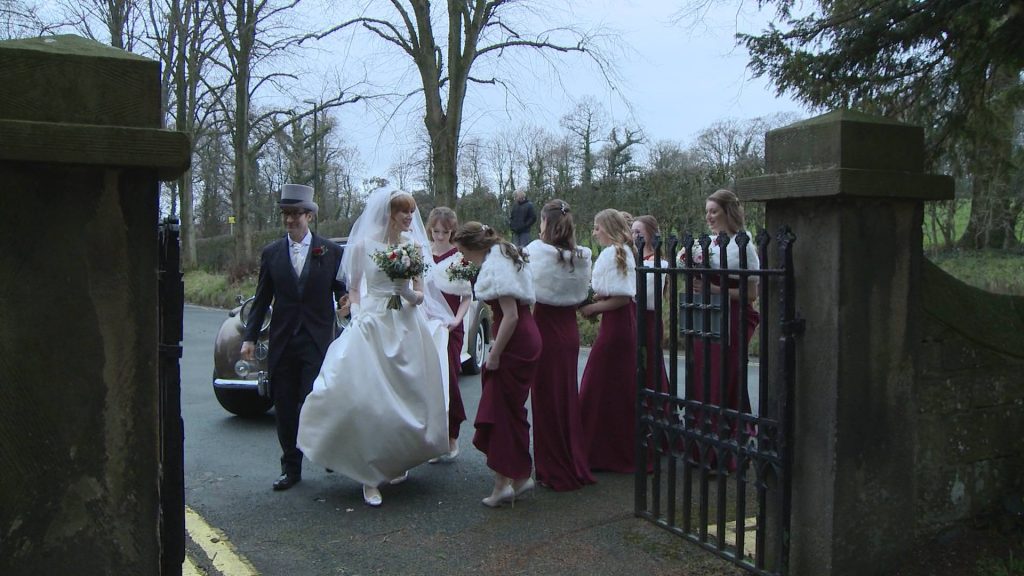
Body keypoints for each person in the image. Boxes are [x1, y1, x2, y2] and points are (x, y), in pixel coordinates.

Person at [297, 187, 452, 507]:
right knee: (366, 398)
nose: (410, 218)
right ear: (389, 215)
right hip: (373, 321)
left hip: (406, 323)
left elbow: (420, 291)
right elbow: (353, 290)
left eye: (412, 212)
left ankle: (395, 460)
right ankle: (368, 475)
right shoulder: (364, 246)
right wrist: (357, 314)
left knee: (407, 397)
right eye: (404, 212)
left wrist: (408, 294)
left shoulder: (413, 247)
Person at [241, 183, 347, 492]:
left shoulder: (331, 251)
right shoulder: (271, 253)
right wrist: (249, 338)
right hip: (283, 340)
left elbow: (342, 292)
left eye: (296, 214)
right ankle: (291, 467)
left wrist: (347, 303)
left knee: (313, 400)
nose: (290, 220)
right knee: (284, 404)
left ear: (310, 216)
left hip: (317, 339)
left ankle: (325, 450)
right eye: (286, 214)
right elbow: (261, 299)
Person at [453, 222, 540, 507]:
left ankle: (504, 483)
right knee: (510, 410)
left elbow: (511, 315)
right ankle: (517, 478)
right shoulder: (504, 254)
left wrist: (495, 354)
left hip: (515, 340)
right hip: (522, 336)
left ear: (475, 247)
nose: (465, 259)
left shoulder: (497, 263)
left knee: (502, 409)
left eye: (464, 252)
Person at [677, 189, 760, 473]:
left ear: (728, 212)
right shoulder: (707, 243)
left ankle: (728, 453)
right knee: (703, 378)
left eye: (714, 211)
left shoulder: (743, 244)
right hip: (705, 317)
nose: (708, 217)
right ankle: (703, 448)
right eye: (707, 211)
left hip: (732, 318)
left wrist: (713, 288)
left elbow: (750, 294)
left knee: (725, 378)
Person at [524, 200, 596, 491]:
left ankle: (552, 467)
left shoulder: (536, 253)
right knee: (566, 396)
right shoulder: (581, 256)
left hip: (544, 329)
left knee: (546, 401)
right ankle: (570, 459)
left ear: (545, 223)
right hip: (569, 332)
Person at [578, 208, 639, 473]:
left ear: (609, 228)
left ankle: (605, 452)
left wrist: (592, 309)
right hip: (616, 324)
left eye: (597, 227)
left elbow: (623, 297)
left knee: (602, 385)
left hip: (618, 327)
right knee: (607, 387)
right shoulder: (618, 252)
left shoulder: (618, 252)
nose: (594, 232)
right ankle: (602, 450)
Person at [425, 206, 472, 462]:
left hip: (451, 327)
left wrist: (456, 319)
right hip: (426, 327)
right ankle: (434, 439)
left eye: (444, 232)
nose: (439, 236)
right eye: (435, 231)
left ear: (451, 231)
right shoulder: (422, 255)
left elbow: (467, 296)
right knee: (429, 382)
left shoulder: (459, 259)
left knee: (450, 379)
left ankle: (452, 435)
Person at [631, 215, 670, 397]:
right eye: (632, 231)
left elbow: (645, 296)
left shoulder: (657, 261)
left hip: (648, 318)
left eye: (638, 232)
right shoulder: (633, 257)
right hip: (634, 316)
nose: (634, 236)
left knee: (650, 361)